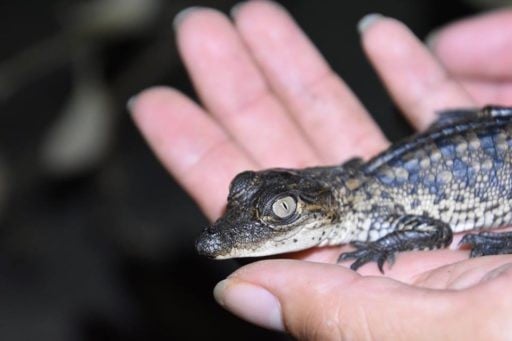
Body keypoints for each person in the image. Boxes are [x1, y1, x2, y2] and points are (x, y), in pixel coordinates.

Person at [129, 1, 512, 339]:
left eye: (282, 211)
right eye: (243, 190)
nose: (219, 238)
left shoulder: (374, 210)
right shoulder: (358, 188)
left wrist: (381, 246)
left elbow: (436, 230)